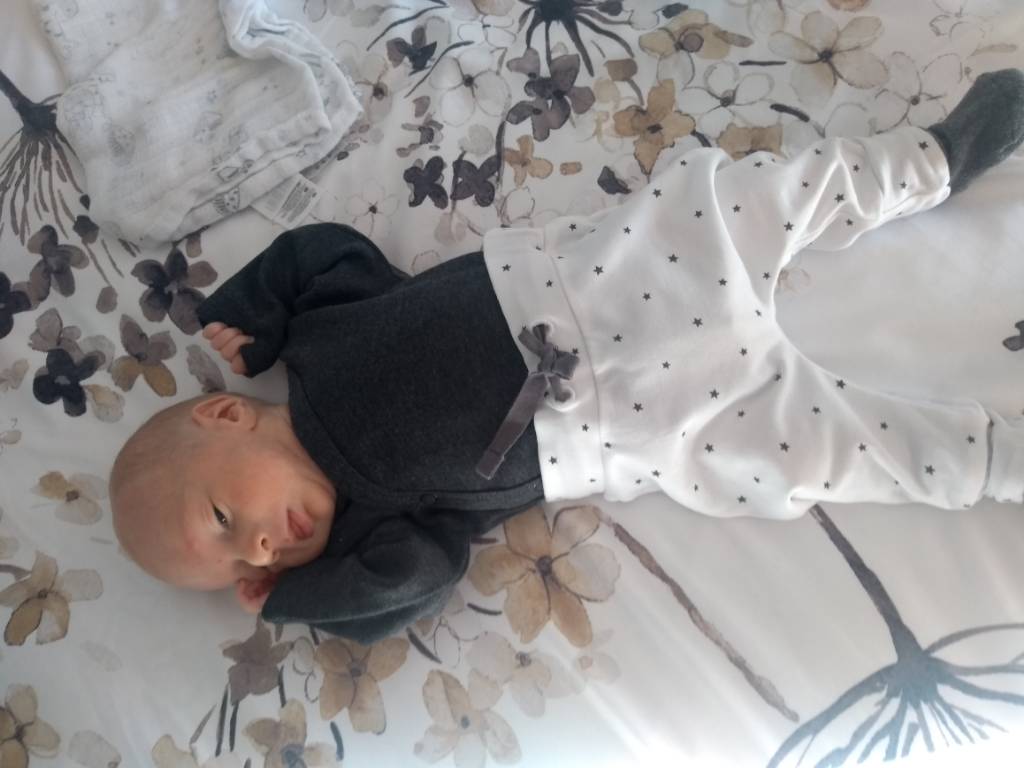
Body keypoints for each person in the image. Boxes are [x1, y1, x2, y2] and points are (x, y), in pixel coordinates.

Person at [110, 70, 1024, 644]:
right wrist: (293, 598)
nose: (261, 545)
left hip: (609, 279)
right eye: (243, 566)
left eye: (224, 517)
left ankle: (933, 160)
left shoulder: (318, 343)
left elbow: (326, 251)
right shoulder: (375, 529)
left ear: (223, 413)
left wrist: (254, 313)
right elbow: (415, 585)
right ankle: (997, 460)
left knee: (750, 195)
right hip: (647, 420)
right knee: (831, 453)